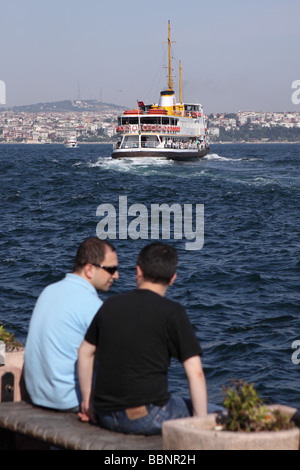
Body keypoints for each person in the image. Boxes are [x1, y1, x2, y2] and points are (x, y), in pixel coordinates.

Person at [78, 242, 213, 435]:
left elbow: (85, 352)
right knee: (220, 413)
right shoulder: (173, 312)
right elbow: (196, 373)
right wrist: (201, 427)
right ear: (173, 278)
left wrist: (88, 403)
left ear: (138, 271)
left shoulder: (110, 304)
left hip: (105, 414)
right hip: (145, 417)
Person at [24, 237, 119, 412]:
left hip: (36, 395)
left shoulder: (49, 291)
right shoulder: (93, 307)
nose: (116, 275)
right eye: (111, 269)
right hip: (67, 401)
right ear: (89, 269)